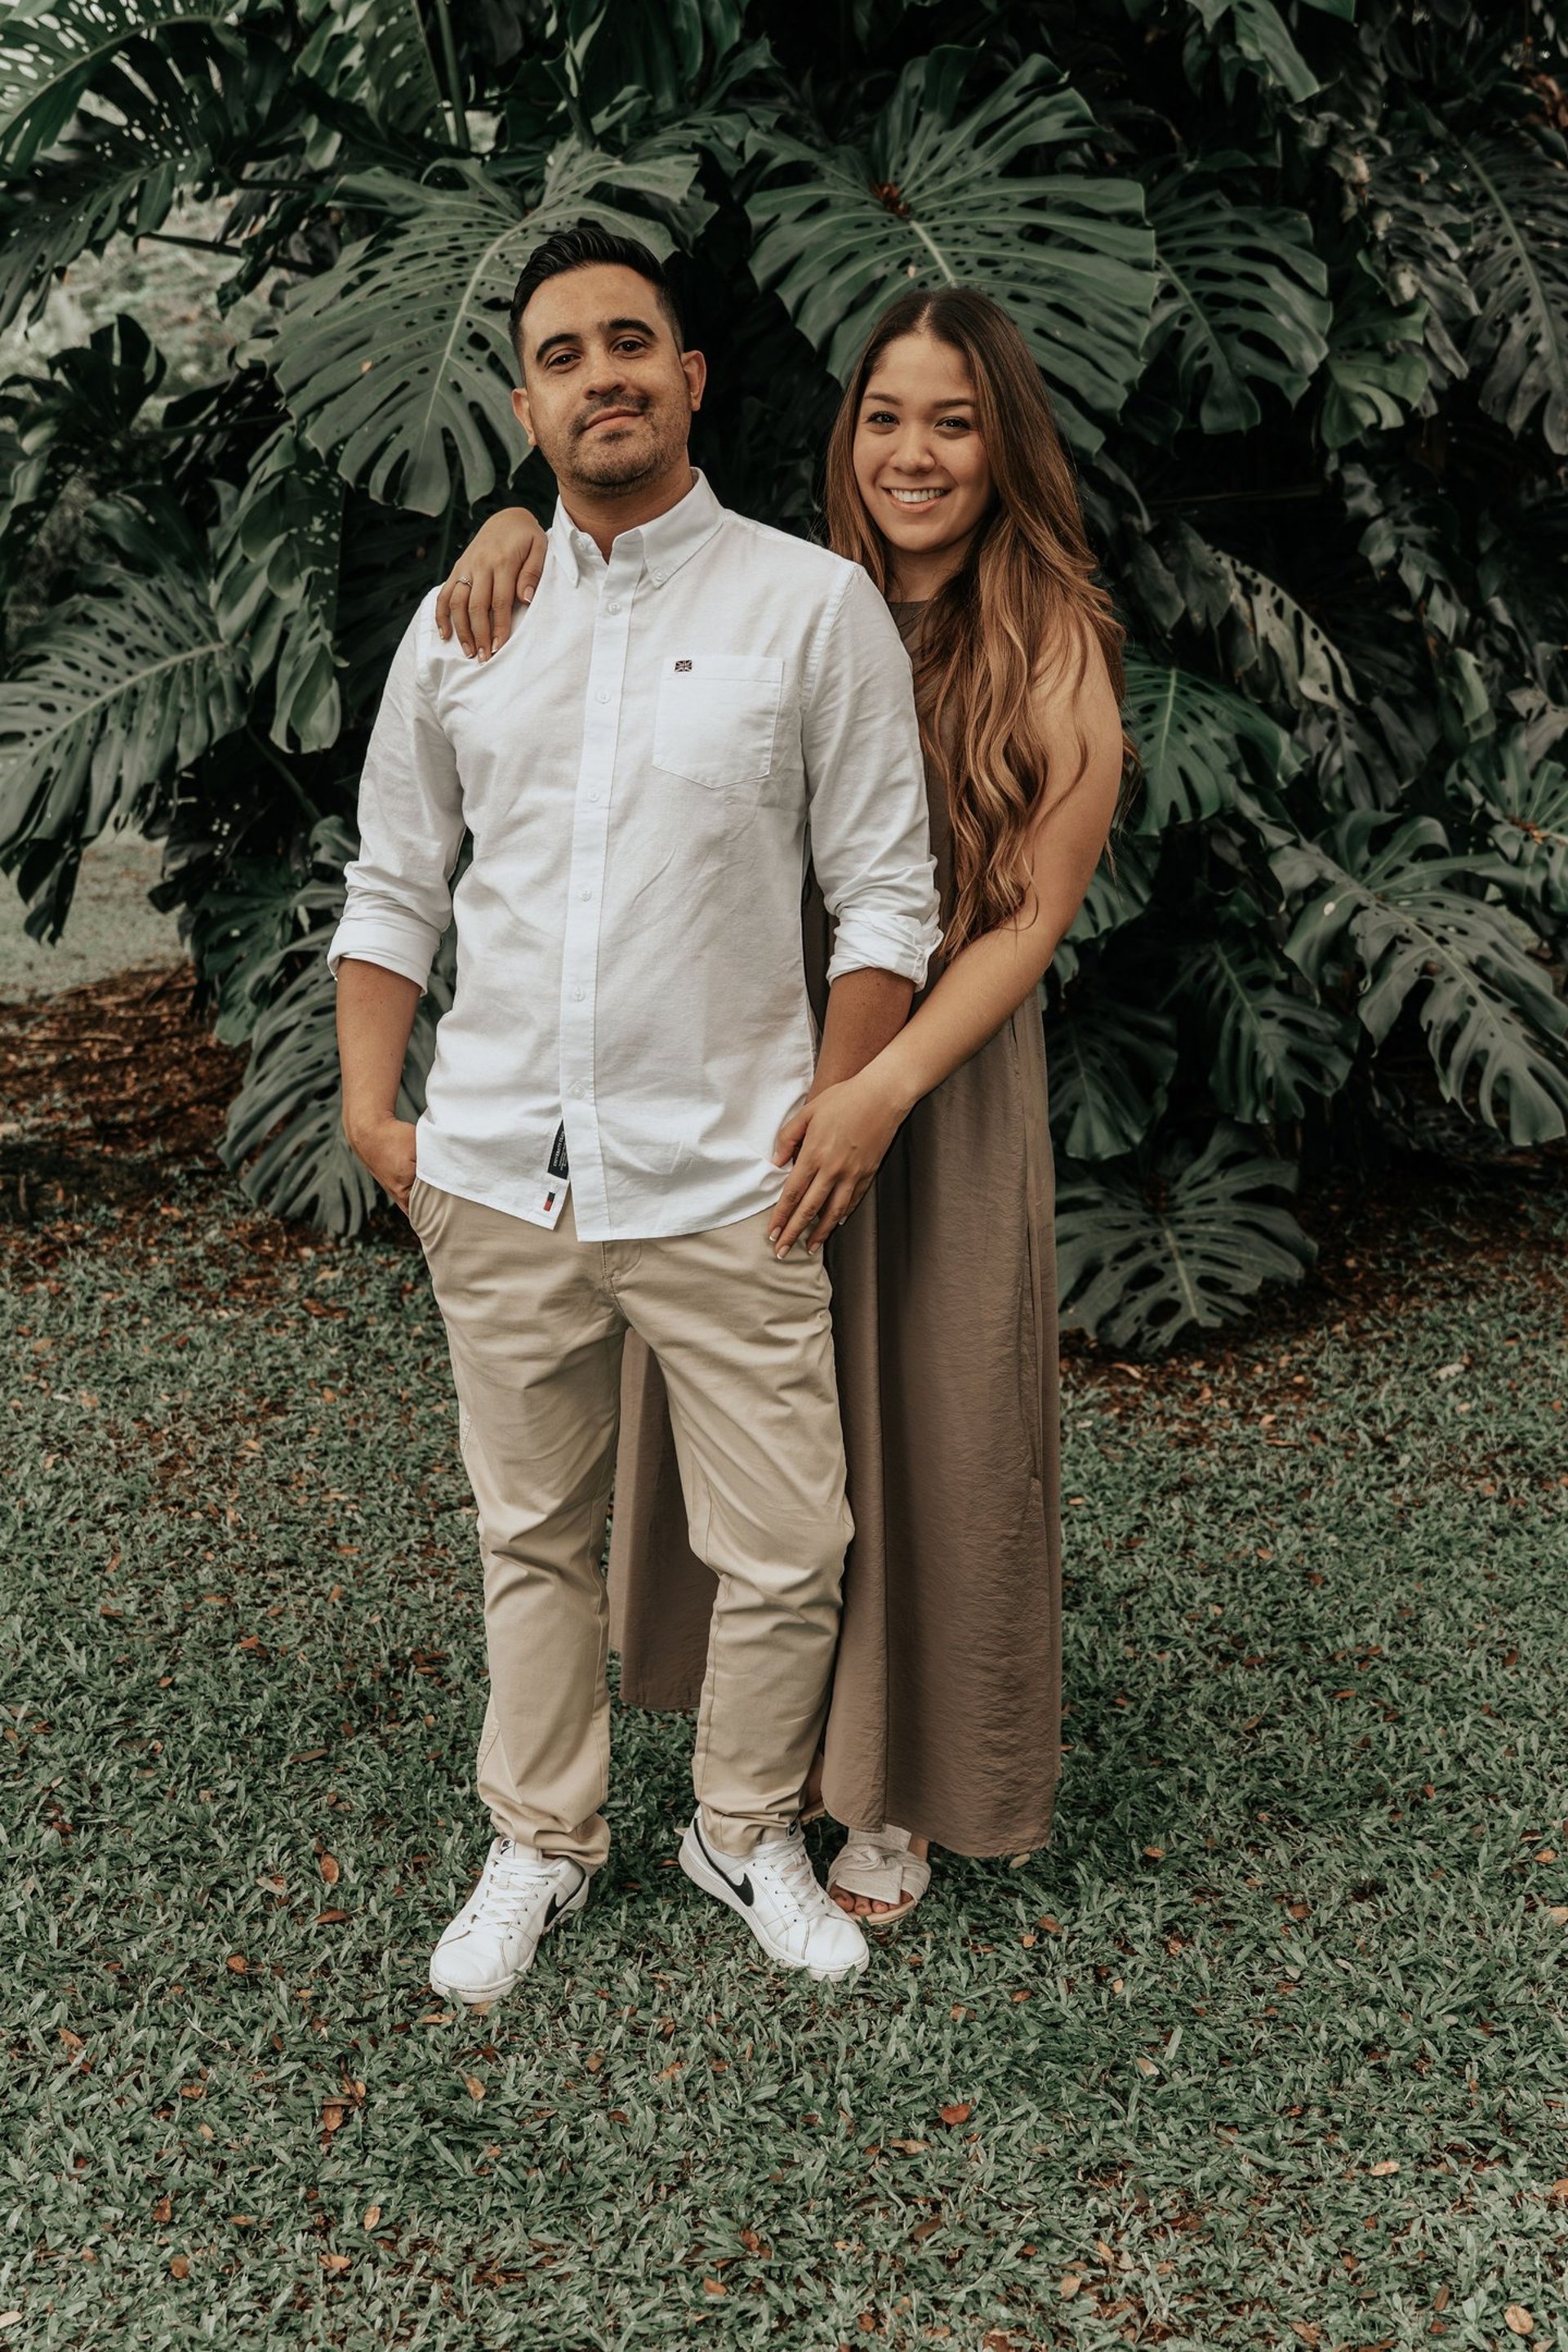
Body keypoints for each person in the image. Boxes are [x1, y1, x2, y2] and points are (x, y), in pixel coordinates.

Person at [439, 286, 1128, 1930]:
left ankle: (891, 1790)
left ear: (1005, 444)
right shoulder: (775, 597)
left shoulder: (1048, 643)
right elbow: (608, 543)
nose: (913, 452)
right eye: (884, 417)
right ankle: (765, 1770)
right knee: (770, 1451)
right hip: (741, 1065)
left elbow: (1028, 921)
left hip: (926, 1083)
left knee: (931, 1417)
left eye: (953, 421)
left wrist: (879, 1086)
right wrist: (508, 522)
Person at [331, 221, 942, 2002]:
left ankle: (741, 1828)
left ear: (690, 377)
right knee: (531, 1535)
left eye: (631, 342)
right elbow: (394, 887)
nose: (600, 372)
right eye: (561, 354)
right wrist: (384, 1120)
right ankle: (539, 1838)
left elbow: (885, 894)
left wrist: (843, 1107)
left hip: (729, 1174)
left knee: (790, 1542)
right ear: (525, 405)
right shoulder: (466, 628)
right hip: (499, 1167)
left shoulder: (807, 606)